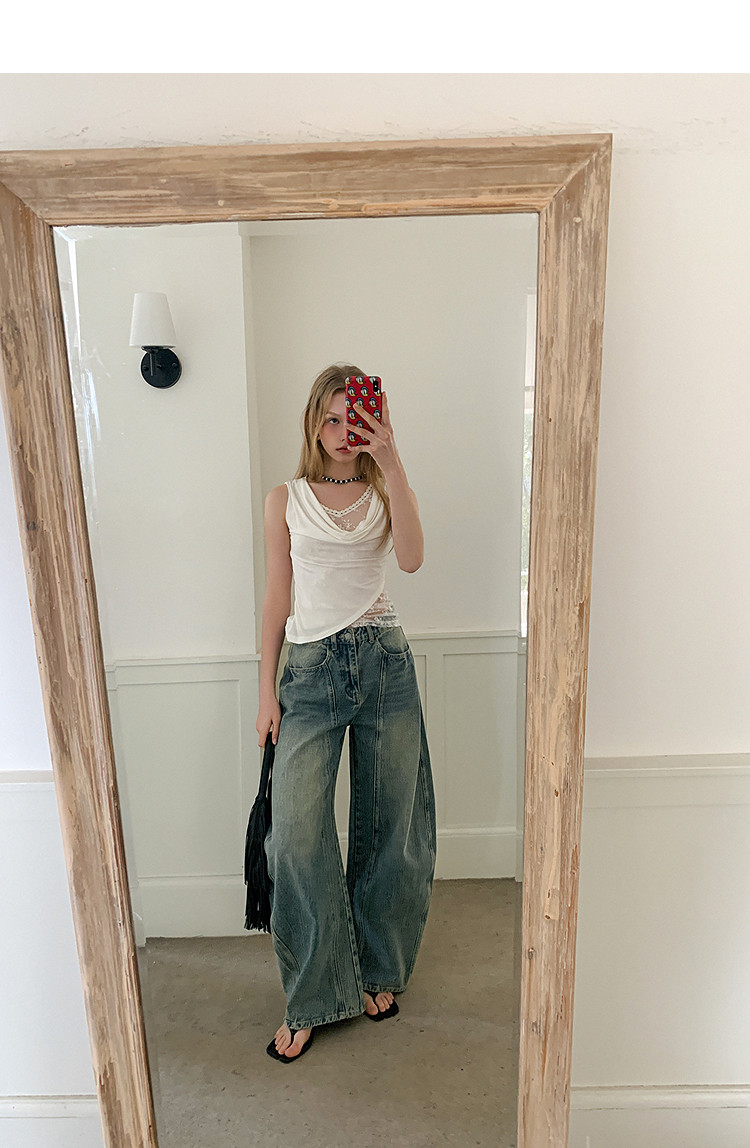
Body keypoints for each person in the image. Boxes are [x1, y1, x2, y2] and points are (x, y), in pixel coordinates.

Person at [256, 363, 437, 1063]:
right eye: (330, 419)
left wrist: (391, 458)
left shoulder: (385, 488)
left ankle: (376, 969)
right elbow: (278, 596)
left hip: (384, 662)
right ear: (312, 422)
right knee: (295, 837)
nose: (341, 432)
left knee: (391, 825)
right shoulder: (285, 499)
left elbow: (413, 560)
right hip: (308, 673)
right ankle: (313, 993)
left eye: (353, 418)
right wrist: (266, 689)